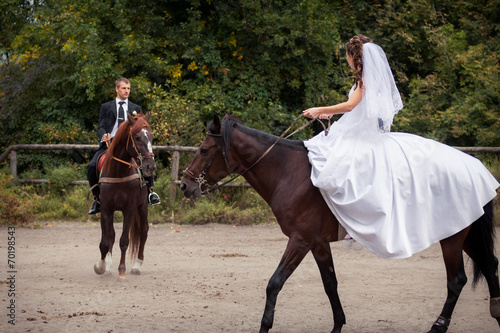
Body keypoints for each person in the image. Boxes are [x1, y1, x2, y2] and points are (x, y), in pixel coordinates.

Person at [302, 35, 499, 259]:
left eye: (346, 56)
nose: (346, 60)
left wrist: (319, 109)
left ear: (352, 56)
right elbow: (361, 109)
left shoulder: (363, 80)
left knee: (341, 170)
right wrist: (331, 113)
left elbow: (350, 105)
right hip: (356, 130)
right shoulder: (369, 80)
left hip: (360, 135)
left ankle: (353, 223)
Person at [87, 77, 160, 215]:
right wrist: (103, 135)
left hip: (130, 144)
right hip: (110, 143)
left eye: (128, 88)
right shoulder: (106, 107)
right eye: (124, 88)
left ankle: (150, 192)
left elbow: (141, 128)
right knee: (91, 166)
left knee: (145, 158)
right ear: (117, 89)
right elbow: (101, 126)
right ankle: (97, 200)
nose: (127, 91)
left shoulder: (136, 108)